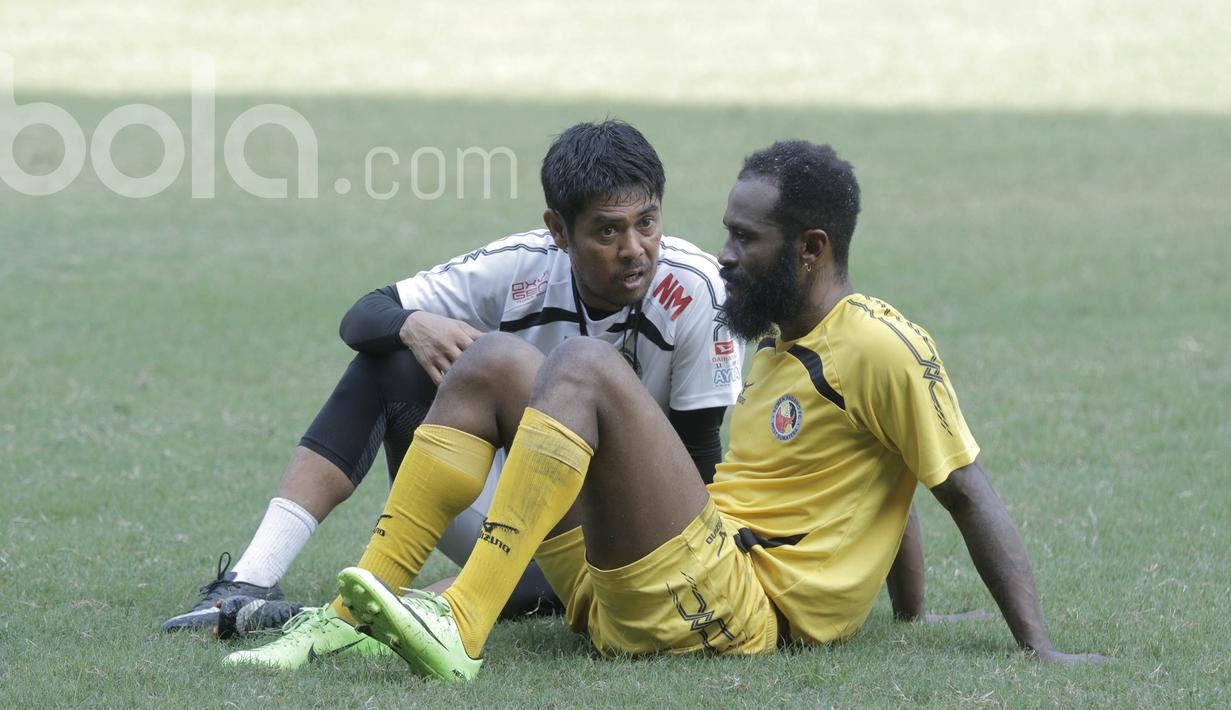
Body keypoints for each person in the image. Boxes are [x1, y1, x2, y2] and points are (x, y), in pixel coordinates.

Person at [322, 139, 1108, 682]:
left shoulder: (879, 345)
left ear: (809, 248)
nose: (723, 254)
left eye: (743, 239)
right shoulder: (777, 342)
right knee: (494, 360)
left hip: (733, 607)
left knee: (583, 363)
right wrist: (909, 616)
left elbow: (962, 490)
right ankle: (347, 618)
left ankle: (464, 617)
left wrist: (1037, 647)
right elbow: (888, 478)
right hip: (657, 584)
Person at [163, 121, 745, 650]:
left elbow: (698, 461)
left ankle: (382, 612)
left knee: (564, 373)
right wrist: (412, 325)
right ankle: (250, 581)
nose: (634, 249)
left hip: (632, 537)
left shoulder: (696, 290)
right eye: (607, 231)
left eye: (647, 223)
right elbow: (363, 315)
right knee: (392, 361)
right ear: (559, 231)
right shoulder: (520, 266)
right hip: (514, 519)